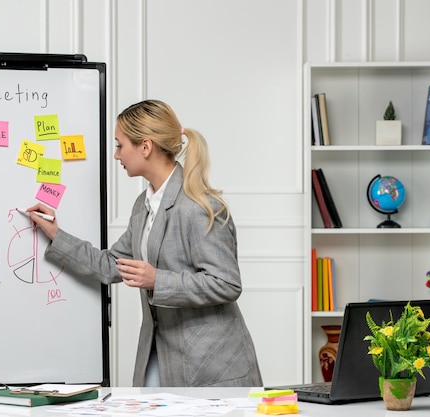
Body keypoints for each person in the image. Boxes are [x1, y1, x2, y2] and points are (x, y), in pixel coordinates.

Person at [27, 99, 262, 387]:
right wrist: (55, 234)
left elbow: (227, 283)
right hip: (159, 353)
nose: (116, 155)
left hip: (210, 366)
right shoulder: (144, 205)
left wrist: (157, 280)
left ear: (146, 147)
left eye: (120, 145)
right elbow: (110, 266)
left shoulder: (198, 207)